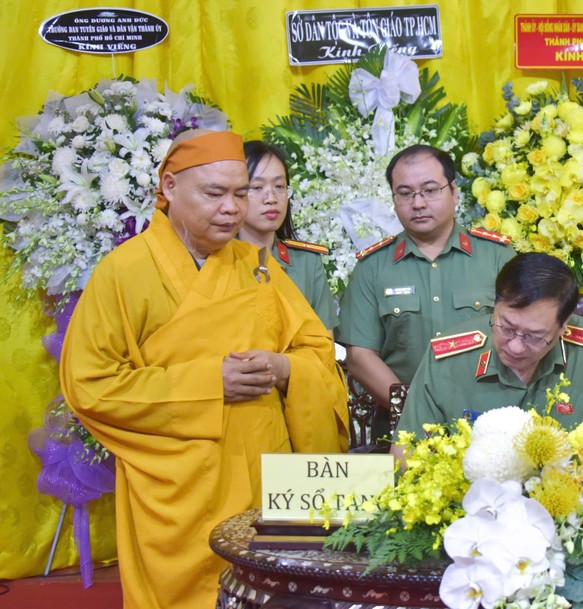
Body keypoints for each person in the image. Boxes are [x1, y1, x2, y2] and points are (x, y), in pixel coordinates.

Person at [59, 129, 349, 609]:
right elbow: (90, 385)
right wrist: (209, 384)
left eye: (240, 193)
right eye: (214, 194)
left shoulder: (256, 265)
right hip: (176, 486)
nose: (232, 209)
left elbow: (316, 349)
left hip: (266, 479)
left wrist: (284, 368)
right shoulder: (124, 272)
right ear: (169, 187)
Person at [337, 144, 515, 436]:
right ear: (394, 200)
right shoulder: (373, 267)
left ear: (454, 192)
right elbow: (360, 355)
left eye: (430, 190)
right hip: (402, 429)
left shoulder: (497, 258)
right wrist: (414, 412)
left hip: (489, 427)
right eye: (405, 193)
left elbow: (521, 338)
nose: (418, 203)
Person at [394, 252, 583, 462]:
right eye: (506, 328)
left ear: (563, 325)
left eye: (534, 337)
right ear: (495, 304)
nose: (516, 347)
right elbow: (404, 454)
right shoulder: (449, 355)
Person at [238, 140, 338, 335]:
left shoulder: (307, 262)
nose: (271, 198)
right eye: (257, 187)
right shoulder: (218, 261)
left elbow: (325, 342)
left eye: (279, 186)